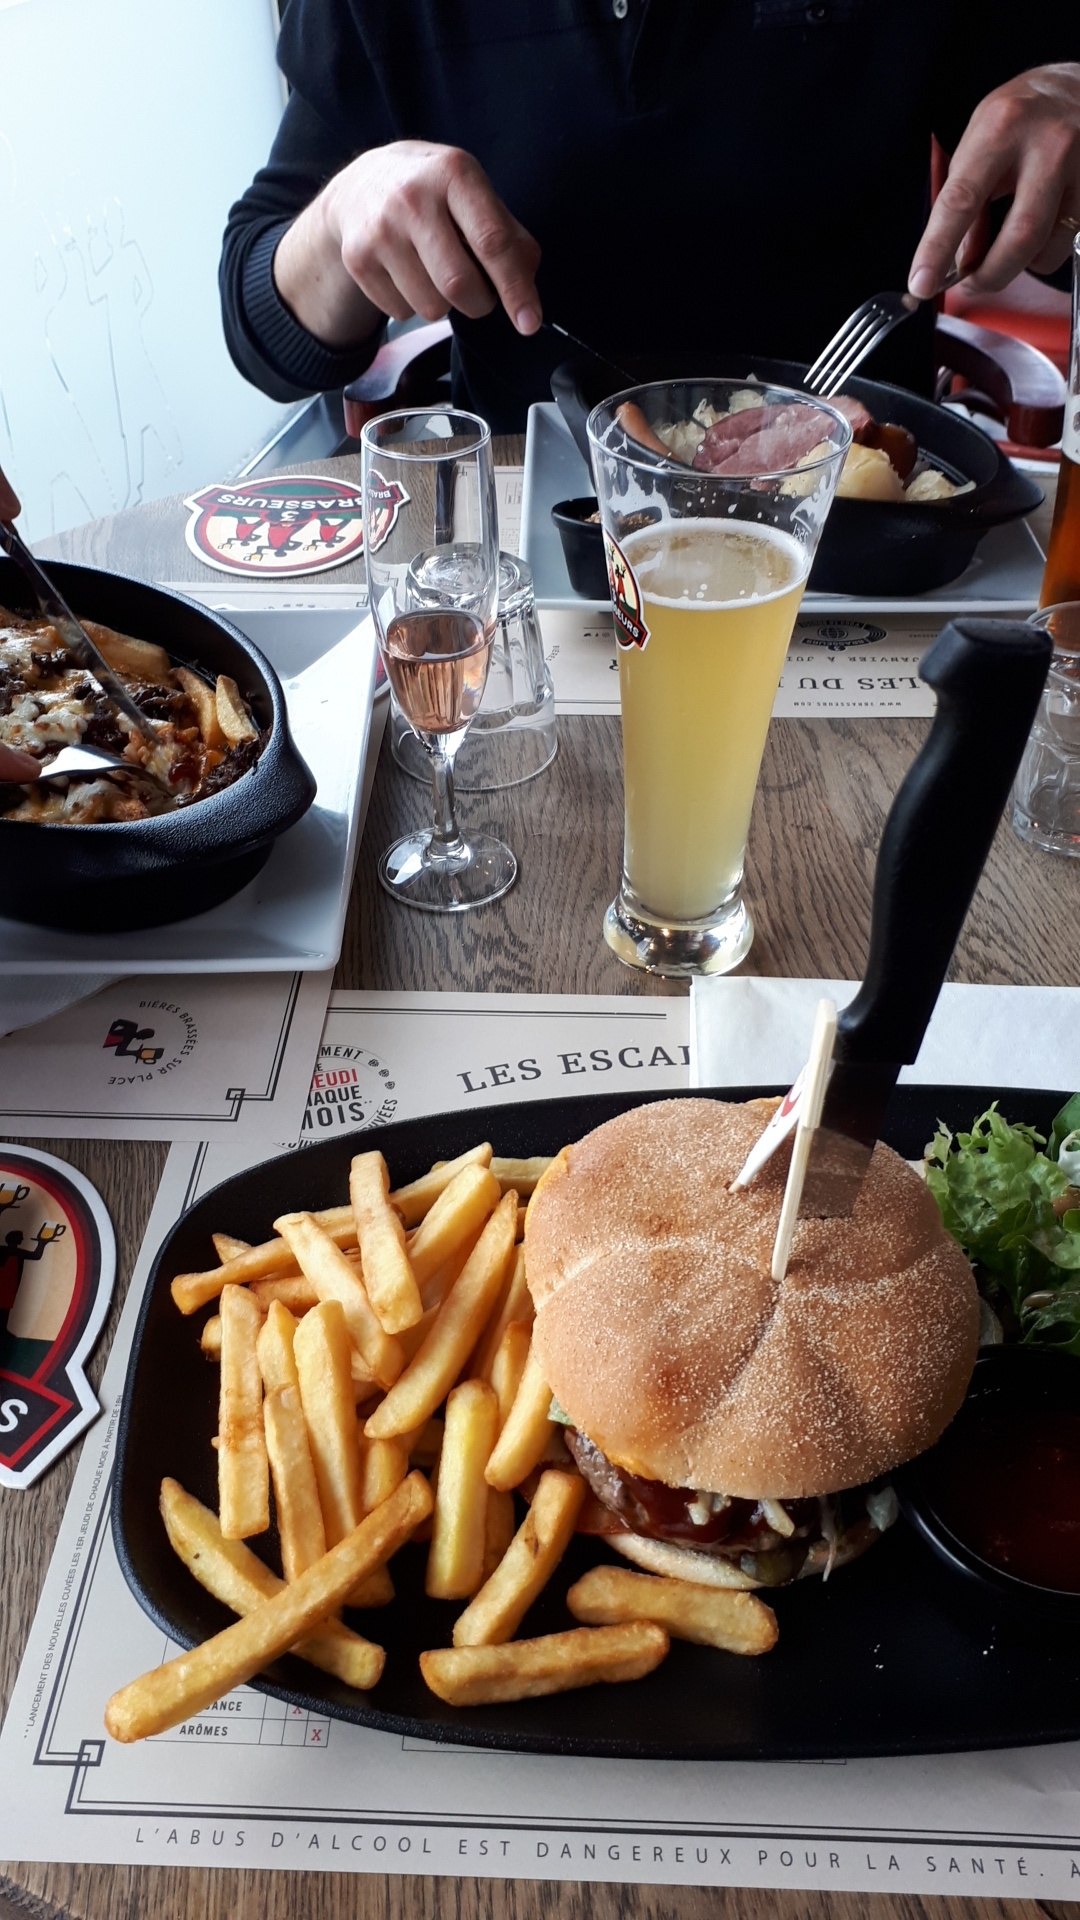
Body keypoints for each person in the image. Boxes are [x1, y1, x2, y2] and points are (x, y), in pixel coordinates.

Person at [221, 3, 1078, 432]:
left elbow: (1059, 236)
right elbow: (265, 335)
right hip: (538, 522)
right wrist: (344, 215)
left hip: (862, 514)